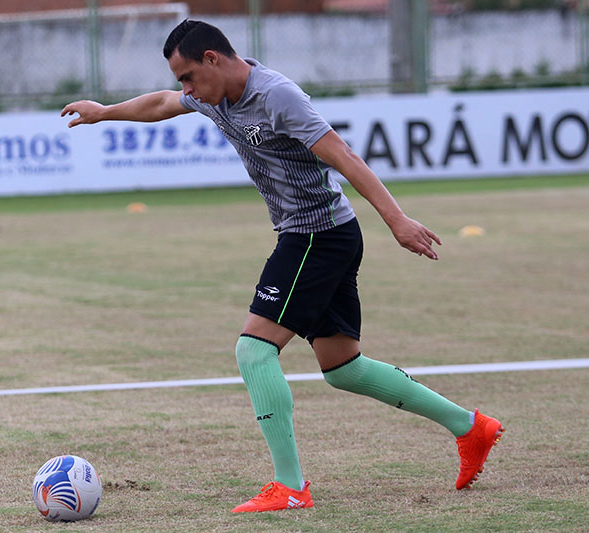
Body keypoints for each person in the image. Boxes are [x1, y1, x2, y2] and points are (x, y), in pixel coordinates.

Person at [61, 19, 504, 513]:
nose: (185, 88)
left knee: (253, 352)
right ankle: (471, 427)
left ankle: (290, 487)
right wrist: (104, 113)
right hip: (320, 235)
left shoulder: (277, 96)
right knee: (344, 369)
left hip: (317, 236)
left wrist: (397, 220)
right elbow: (163, 103)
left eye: (187, 75)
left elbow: (345, 158)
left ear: (212, 59)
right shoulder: (212, 97)